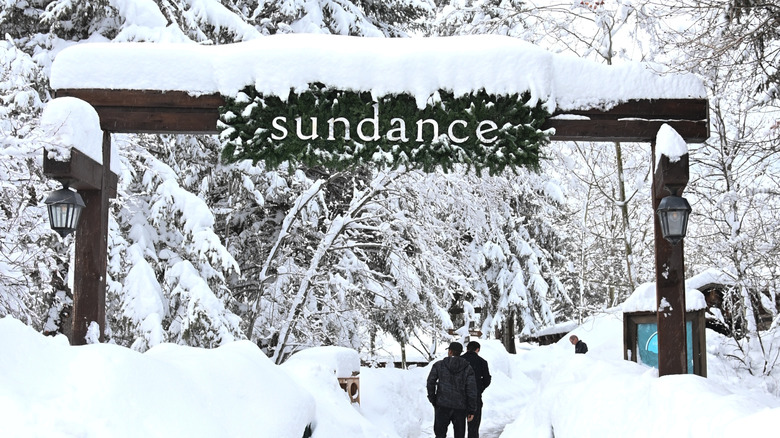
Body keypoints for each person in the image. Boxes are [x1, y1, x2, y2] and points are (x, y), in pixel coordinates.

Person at [426, 342, 478, 438]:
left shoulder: (439, 365)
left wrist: (433, 399)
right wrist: (471, 410)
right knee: (459, 435)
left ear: (450, 351)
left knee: (440, 435)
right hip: (460, 407)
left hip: (442, 405)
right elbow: (471, 390)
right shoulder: (467, 368)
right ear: (460, 353)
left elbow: (430, 382)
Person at [461, 341, 492, 438]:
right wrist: (479, 388)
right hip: (475, 397)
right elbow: (487, 380)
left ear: (467, 348)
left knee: (459, 427)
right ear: (477, 349)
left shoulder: (459, 360)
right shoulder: (482, 362)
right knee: (473, 427)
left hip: (459, 397)